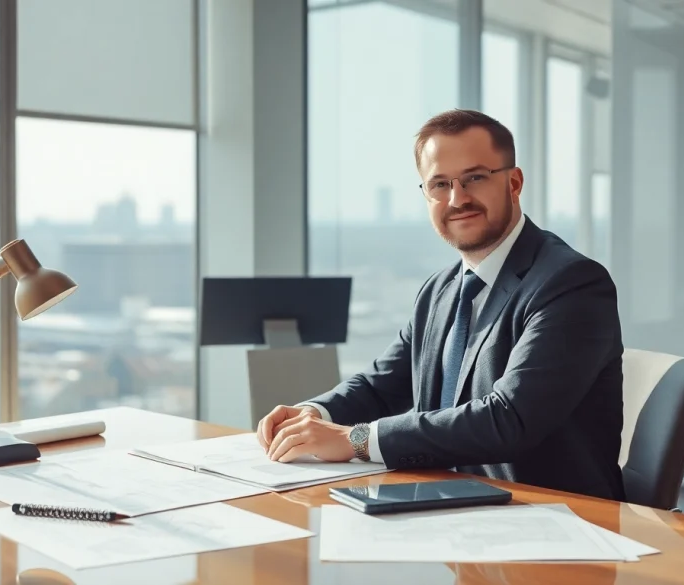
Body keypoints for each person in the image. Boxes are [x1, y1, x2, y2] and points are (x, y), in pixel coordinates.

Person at [256, 109, 626, 501]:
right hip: (448, 508)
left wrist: (357, 440)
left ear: (514, 183)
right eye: (440, 184)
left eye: (475, 178)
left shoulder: (571, 283)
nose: (458, 199)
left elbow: (508, 419)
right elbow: (381, 387)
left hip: (547, 519)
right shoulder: (441, 289)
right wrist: (314, 413)